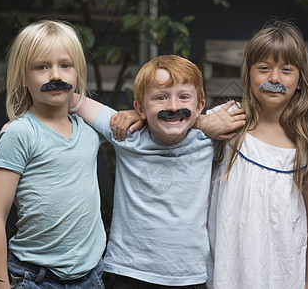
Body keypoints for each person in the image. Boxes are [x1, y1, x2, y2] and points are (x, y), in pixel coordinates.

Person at [71, 54, 245, 288]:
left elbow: (254, 109)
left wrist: (200, 122)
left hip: (189, 275)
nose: (173, 106)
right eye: (160, 98)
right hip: (130, 272)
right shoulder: (126, 134)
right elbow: (74, 101)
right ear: (140, 107)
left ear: (200, 105)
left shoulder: (209, 135)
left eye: (184, 97)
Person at [206, 20, 308, 289]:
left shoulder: (307, 145)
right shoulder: (227, 123)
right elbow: (176, 132)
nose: (274, 79)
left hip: (282, 275)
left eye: (286, 70)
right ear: (248, 74)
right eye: (264, 68)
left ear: (300, 80)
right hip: (228, 271)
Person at [0, 19, 106, 289]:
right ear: (23, 78)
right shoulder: (20, 134)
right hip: (34, 278)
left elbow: (131, 124)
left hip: (91, 276)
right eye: (41, 67)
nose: (55, 76)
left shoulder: (90, 130)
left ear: (78, 73)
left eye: (66, 65)